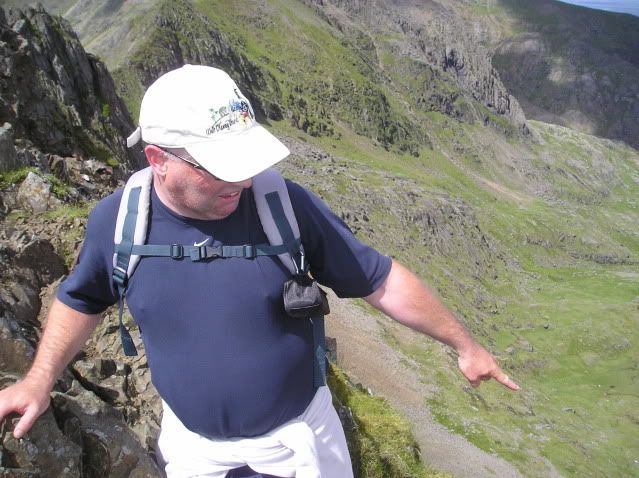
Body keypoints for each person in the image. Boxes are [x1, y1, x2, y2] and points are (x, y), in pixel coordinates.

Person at [0, 65, 519, 478]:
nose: (245, 181)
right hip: (194, 454)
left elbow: (378, 278)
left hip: (301, 449)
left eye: (248, 161)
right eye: (223, 166)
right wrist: (39, 379)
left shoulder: (285, 205)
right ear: (159, 158)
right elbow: (82, 298)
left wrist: (464, 345)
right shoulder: (118, 222)